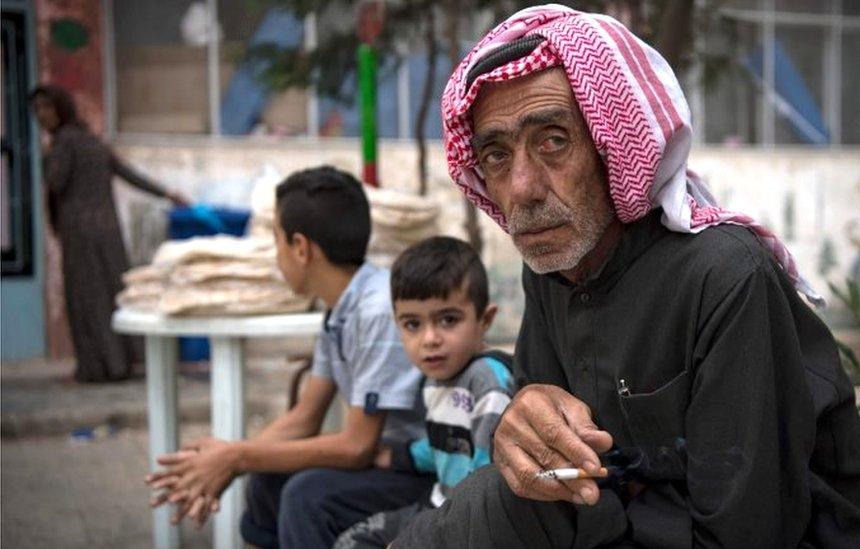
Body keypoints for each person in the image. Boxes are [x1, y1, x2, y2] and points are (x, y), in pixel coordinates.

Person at [392, 6, 860, 548]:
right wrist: (517, 425)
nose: (522, 189)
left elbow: (747, 530)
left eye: (554, 141)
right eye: (495, 154)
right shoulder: (551, 264)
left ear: (611, 148)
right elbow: (549, 455)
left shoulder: (724, 276)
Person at [144, 166, 433, 548]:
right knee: (269, 478)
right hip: (383, 460)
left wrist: (238, 458)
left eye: (275, 240)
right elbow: (304, 417)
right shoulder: (339, 311)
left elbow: (356, 446)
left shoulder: (378, 309)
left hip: (423, 467)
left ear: (301, 248)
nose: (275, 254)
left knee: (307, 495)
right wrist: (228, 458)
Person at [335, 236, 515, 549]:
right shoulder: (437, 380)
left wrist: (424, 539)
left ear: (484, 320)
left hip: (473, 526)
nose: (430, 339)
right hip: (438, 506)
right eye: (412, 324)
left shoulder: (487, 381)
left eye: (448, 320)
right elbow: (443, 446)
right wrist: (395, 455)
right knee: (355, 540)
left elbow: (488, 479)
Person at [30, 84, 188, 382]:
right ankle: (122, 364)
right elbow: (125, 173)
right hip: (108, 232)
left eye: (47, 108)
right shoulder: (92, 141)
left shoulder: (63, 143)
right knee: (113, 297)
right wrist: (167, 193)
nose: (42, 115)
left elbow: (56, 182)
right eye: (37, 109)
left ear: (60, 109)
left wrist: (47, 156)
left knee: (86, 301)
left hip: (80, 236)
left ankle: (97, 370)